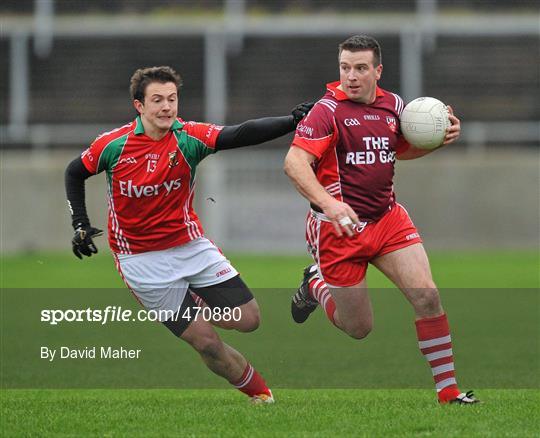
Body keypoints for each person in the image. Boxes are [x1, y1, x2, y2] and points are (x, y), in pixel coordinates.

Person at [65, 66, 313, 404]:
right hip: (141, 261)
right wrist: (80, 223)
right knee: (207, 343)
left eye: (172, 99)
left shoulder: (188, 136)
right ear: (139, 106)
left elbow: (239, 134)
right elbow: (74, 171)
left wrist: (291, 121)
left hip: (189, 246)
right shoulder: (114, 145)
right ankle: (262, 396)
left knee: (249, 319)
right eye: (157, 100)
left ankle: (194, 298)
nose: (167, 107)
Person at [284, 35, 479, 404]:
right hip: (337, 230)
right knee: (358, 328)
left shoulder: (395, 106)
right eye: (345, 68)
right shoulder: (326, 111)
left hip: (388, 219)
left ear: (378, 70)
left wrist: (439, 136)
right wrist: (330, 204)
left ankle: (448, 392)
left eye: (360, 68)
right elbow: (294, 164)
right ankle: (315, 284)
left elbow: (400, 149)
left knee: (428, 296)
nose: (351, 77)